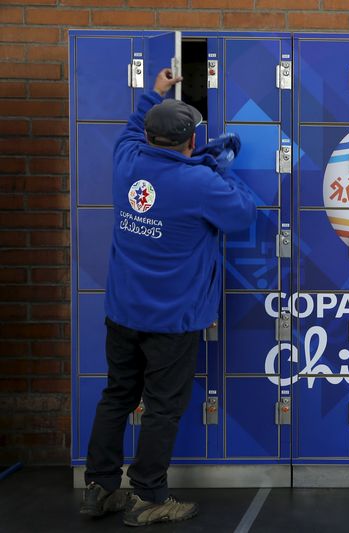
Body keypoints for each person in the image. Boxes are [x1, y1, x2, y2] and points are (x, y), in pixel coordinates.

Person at [79, 68, 256, 526]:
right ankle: (150, 496)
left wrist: (152, 95)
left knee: (118, 394)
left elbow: (130, 130)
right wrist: (219, 164)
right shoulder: (199, 183)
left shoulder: (126, 161)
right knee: (162, 407)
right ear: (190, 143)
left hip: (122, 312)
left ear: (150, 138)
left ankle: (99, 488)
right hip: (172, 320)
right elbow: (242, 214)